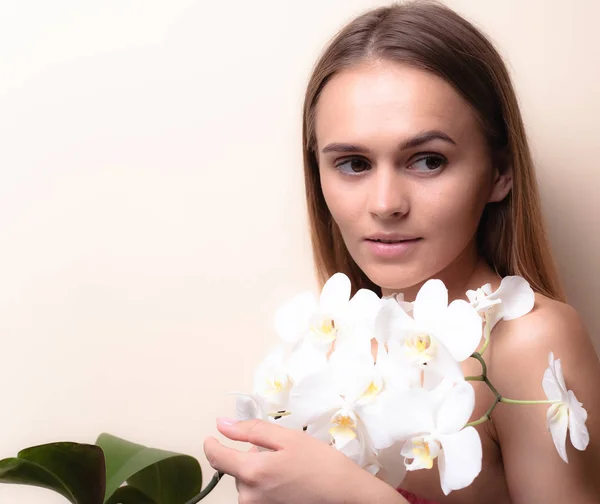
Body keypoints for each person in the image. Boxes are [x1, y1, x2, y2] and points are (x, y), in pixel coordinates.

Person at [203, 1, 600, 503]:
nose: (386, 204)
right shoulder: (331, 339)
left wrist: (352, 493)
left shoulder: (525, 341)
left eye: (428, 161)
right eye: (352, 164)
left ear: (500, 171)